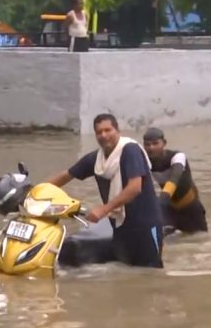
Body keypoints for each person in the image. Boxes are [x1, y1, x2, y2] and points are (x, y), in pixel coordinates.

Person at [46, 114, 164, 268]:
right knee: (129, 273)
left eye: (108, 130)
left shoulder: (130, 150)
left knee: (151, 273)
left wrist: (104, 210)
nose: (104, 135)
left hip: (145, 227)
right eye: (99, 132)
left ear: (117, 130)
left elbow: (135, 188)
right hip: (120, 227)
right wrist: (35, 193)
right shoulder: (97, 160)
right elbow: (66, 175)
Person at [142, 127, 209, 236]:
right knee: (163, 240)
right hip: (169, 209)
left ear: (164, 143)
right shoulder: (145, 161)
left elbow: (174, 179)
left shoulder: (177, 156)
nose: (151, 148)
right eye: (147, 145)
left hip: (191, 208)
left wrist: (161, 201)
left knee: (199, 241)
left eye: (155, 143)